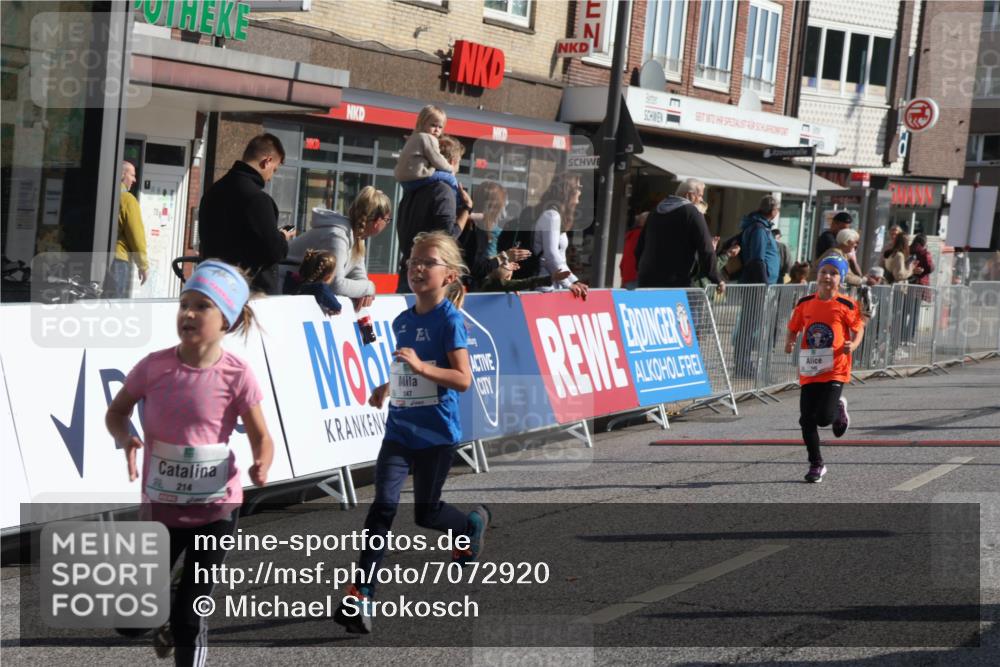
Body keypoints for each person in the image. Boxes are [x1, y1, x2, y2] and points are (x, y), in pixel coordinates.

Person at [105, 260, 274, 664]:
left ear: (227, 322)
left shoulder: (237, 375)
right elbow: (117, 412)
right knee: (130, 623)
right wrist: (124, 436)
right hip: (160, 511)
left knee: (188, 617)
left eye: (203, 306)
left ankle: (183, 609)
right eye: (185, 304)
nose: (189, 314)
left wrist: (261, 464)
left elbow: (261, 436)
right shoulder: (154, 367)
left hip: (215, 511)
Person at [333, 231, 488, 635]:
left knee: (426, 514)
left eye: (427, 262)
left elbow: (462, 379)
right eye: (412, 261)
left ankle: (469, 525)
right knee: (382, 506)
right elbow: (406, 368)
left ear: (449, 274)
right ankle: (360, 593)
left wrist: (420, 368)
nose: (417, 268)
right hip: (399, 430)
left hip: (436, 433)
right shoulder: (402, 319)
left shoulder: (450, 321)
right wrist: (388, 386)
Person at [784, 255, 865, 483]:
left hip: (835, 368)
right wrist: (789, 341)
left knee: (823, 419)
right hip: (810, 367)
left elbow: (859, 329)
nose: (827, 276)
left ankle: (838, 406)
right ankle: (816, 464)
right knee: (806, 419)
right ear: (817, 275)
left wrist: (854, 344)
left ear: (840, 279)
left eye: (833, 273)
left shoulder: (847, 304)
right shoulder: (805, 303)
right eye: (824, 272)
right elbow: (793, 328)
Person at [198, 134, 295, 295]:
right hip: (248, 293)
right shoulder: (258, 199)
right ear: (267, 161)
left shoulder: (213, 191)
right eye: (274, 170)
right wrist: (283, 238)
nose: (271, 178)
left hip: (213, 285)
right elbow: (274, 251)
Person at [286, 186, 391, 308]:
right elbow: (335, 284)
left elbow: (358, 275)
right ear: (378, 221)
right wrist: (369, 287)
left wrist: (364, 291)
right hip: (281, 290)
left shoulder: (357, 237)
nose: (387, 224)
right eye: (388, 220)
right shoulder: (337, 236)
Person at [395, 135, 470, 293]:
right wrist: (466, 210)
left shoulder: (412, 190)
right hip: (430, 279)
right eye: (459, 163)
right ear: (452, 162)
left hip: (408, 270)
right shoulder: (443, 190)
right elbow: (447, 236)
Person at [636, 179, 723, 290]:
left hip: (647, 280)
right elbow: (706, 249)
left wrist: (640, 269)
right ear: (689, 195)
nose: (701, 200)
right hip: (674, 283)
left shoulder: (655, 211)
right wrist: (717, 278)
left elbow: (640, 246)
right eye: (700, 195)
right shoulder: (692, 212)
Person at [458, 180, 530, 288]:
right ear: (493, 206)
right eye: (503, 206)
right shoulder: (475, 228)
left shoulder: (476, 225)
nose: (504, 213)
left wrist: (505, 266)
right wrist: (504, 258)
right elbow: (476, 269)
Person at [533, 172, 589, 300]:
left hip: (552, 284)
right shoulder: (552, 216)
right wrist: (568, 284)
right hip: (544, 287)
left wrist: (573, 281)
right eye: (578, 188)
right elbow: (551, 255)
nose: (580, 192)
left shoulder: (555, 215)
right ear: (567, 190)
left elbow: (559, 258)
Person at [394, 105, 460, 208]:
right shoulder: (428, 138)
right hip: (416, 177)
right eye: (433, 125)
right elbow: (437, 160)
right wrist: (450, 168)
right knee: (450, 178)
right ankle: (457, 204)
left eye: (440, 127)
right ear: (422, 123)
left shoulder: (414, 137)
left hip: (404, 181)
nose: (436, 130)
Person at [106, 161, 149, 298]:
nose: (135, 180)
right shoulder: (127, 199)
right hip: (119, 260)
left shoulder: (106, 196)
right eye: (132, 175)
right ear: (123, 174)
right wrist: (143, 265)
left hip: (98, 258)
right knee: (114, 306)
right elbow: (136, 234)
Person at [284, 249, 343, 316]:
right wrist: (337, 308)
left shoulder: (292, 280)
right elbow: (336, 305)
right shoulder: (320, 288)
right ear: (327, 277)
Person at [739, 195, 781, 285]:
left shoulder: (761, 227)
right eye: (777, 209)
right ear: (773, 211)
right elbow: (757, 260)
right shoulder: (759, 229)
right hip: (758, 285)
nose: (778, 212)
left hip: (760, 282)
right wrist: (764, 285)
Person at [480, 257, 570, 293]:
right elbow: (527, 282)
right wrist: (551, 278)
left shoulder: (488, 283)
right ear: (508, 277)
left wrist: (511, 288)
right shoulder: (500, 284)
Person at [619, 211, 647, 289]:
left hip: (627, 275)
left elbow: (624, 260)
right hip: (636, 276)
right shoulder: (642, 235)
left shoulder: (631, 235)